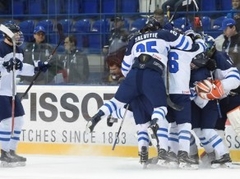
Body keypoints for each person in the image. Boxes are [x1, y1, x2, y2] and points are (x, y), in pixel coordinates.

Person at [86, 17, 194, 166]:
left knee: (116, 102)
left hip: (133, 74)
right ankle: (157, 130)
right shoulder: (163, 34)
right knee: (160, 109)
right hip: (152, 74)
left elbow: (124, 68)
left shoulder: (135, 39)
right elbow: (187, 43)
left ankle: (97, 116)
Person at [0, 23, 49, 167]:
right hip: (1, 91)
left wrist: (36, 67)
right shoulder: (0, 48)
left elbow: (20, 68)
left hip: (11, 91)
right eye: (15, 32)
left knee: (19, 120)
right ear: (7, 34)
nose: (18, 34)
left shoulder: (19, 50)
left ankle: (11, 151)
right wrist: (6, 66)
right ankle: (3, 153)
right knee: (7, 122)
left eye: (18, 32)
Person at [190, 34, 240, 168]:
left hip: (228, 98)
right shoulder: (193, 59)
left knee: (232, 127)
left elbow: (235, 78)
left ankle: (221, 155)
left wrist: (219, 87)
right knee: (205, 130)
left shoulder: (219, 57)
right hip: (210, 100)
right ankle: (215, 155)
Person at [102, 16, 129, 83]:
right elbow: (106, 46)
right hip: (111, 59)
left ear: (122, 22)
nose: (115, 23)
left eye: (117, 21)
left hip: (120, 59)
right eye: (114, 22)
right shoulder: (111, 33)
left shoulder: (126, 33)